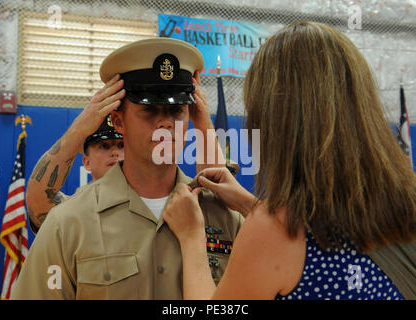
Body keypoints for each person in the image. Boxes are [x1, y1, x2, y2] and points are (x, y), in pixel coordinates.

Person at [163, 21, 416, 300]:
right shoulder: (406, 204)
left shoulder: (274, 232)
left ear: (277, 122)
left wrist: (191, 238)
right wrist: (252, 206)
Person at [11, 37, 243, 300]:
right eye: (149, 110)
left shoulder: (224, 217)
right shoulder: (69, 223)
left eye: (177, 110)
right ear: (118, 121)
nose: (166, 123)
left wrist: (205, 127)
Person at [26, 74, 126, 233]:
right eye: (104, 146)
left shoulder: (149, 205)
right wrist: (79, 129)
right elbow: (37, 200)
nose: (114, 152)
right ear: (87, 162)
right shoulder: (73, 211)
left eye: (121, 145)